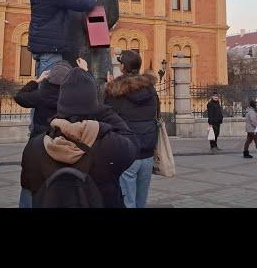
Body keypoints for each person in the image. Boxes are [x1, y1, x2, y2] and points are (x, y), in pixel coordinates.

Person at [20, 58, 139, 208]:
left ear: (61, 102)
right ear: (93, 104)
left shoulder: (35, 148)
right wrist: (101, 109)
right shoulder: (111, 145)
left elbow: (28, 185)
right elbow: (132, 142)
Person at [104, 50, 159, 208]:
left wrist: (109, 86)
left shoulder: (116, 89)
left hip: (127, 151)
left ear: (123, 67)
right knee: (141, 201)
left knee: (127, 202)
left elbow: (106, 114)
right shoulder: (150, 88)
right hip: (148, 151)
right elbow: (155, 113)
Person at [14, 60, 72, 208]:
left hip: (37, 144)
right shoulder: (70, 100)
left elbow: (19, 96)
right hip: (61, 146)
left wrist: (37, 81)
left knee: (30, 180)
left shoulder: (40, 95)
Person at [26, 0, 97, 77]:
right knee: (49, 85)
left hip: (40, 44)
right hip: (51, 47)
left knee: (42, 80)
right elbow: (76, 3)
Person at [65, 0, 120, 94]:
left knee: (100, 83)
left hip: (99, 43)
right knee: (73, 81)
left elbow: (114, 13)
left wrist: (97, 29)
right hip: (73, 41)